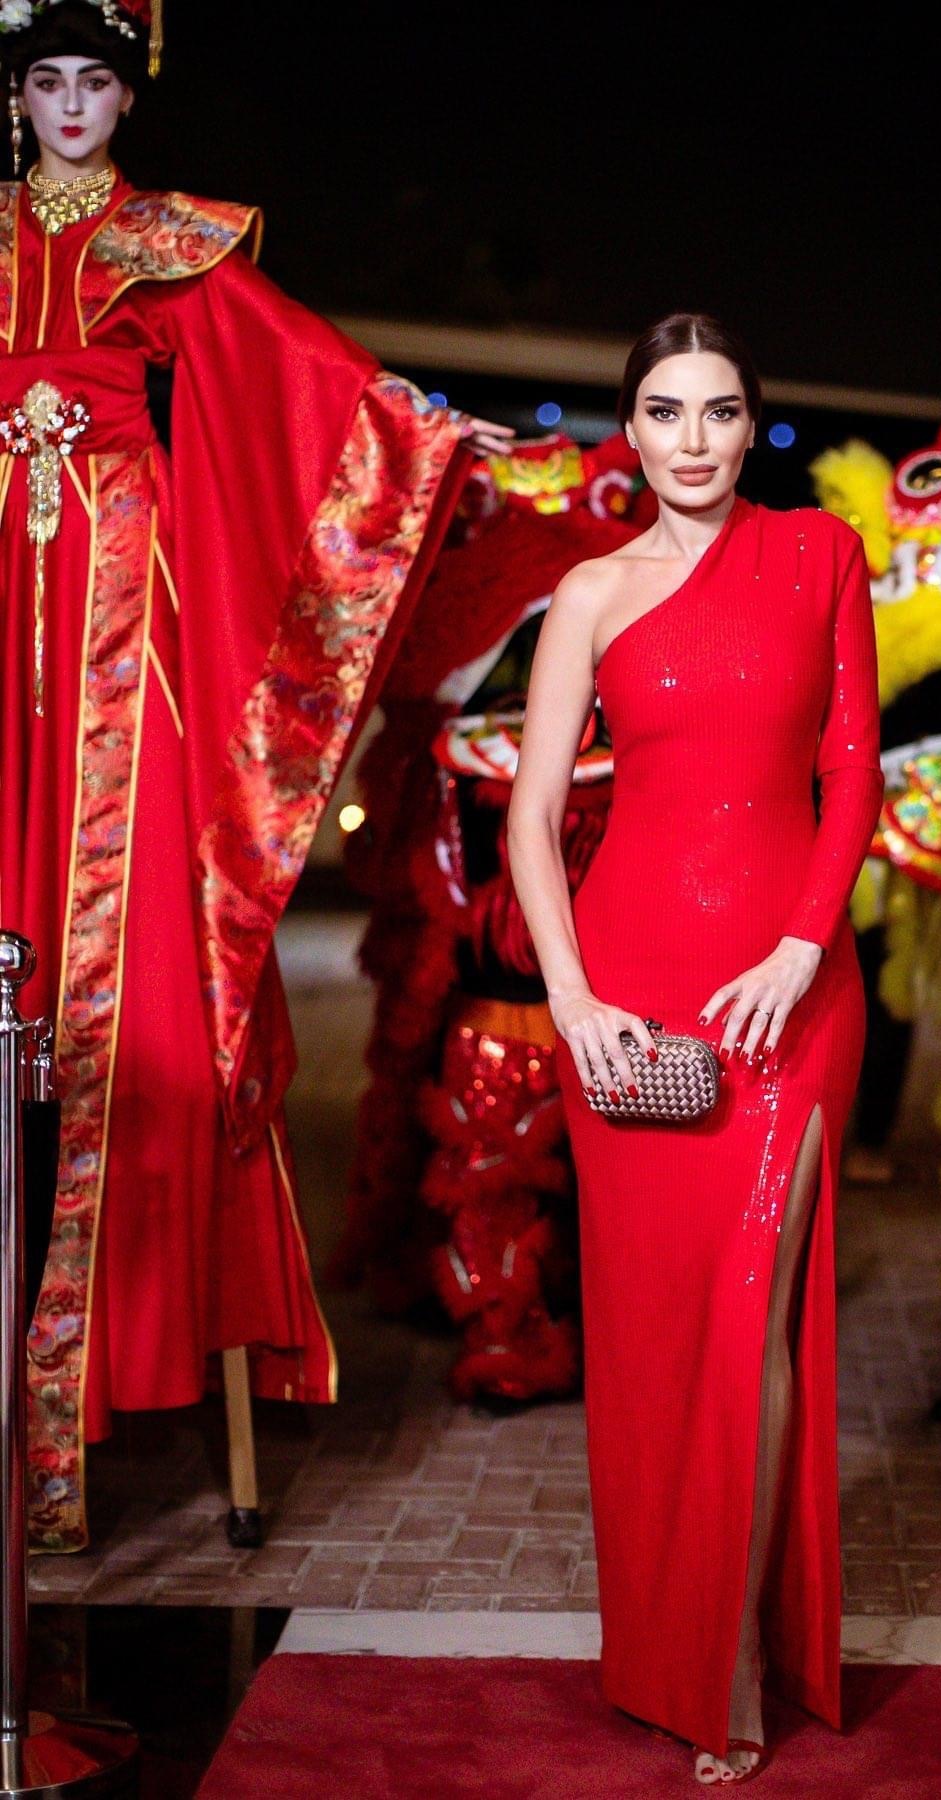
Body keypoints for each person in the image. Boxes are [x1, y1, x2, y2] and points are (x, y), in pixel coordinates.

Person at [0, 0, 513, 1551]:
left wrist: (424, 431)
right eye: (47, 80)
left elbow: (306, 374)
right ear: (16, 96)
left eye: (97, 81)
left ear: (126, 95)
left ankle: (87, 1392)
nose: (72, 105)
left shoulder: (170, 244)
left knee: (135, 990)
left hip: (119, 616)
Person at [509, 314, 882, 1783]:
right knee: (656, 1338)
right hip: (629, 995)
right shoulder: (589, 592)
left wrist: (800, 945)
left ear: (749, 426)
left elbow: (851, 769)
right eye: (665, 412)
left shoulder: (820, 557)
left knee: (750, 1315)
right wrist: (573, 998)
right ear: (632, 428)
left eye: (720, 412)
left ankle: (726, 1670)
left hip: (792, 998)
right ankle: (666, 1644)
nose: (693, 440)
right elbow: (535, 816)